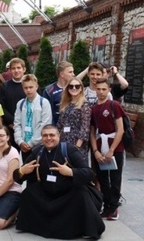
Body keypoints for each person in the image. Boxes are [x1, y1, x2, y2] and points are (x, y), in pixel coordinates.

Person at [14, 124, 105, 239]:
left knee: (82, 194)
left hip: (67, 194)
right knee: (28, 193)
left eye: (52, 135)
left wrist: (71, 172)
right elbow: (17, 178)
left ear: (59, 136)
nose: (48, 138)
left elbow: (89, 173)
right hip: (47, 193)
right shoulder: (37, 151)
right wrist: (22, 170)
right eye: (45, 135)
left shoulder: (69, 150)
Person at [90, 79, 125, 221]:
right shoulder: (93, 108)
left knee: (115, 177)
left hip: (114, 146)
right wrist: (95, 151)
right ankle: (106, 205)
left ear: (109, 90)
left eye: (104, 89)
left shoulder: (113, 105)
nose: (101, 92)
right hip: (100, 146)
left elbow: (120, 129)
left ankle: (114, 206)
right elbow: (92, 132)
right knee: (102, 178)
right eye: (98, 89)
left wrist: (112, 150)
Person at [13, 74, 52, 155]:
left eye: (31, 87)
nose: (28, 90)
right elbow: (17, 124)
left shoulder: (44, 102)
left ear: (36, 87)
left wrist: (31, 143)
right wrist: (20, 141)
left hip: (39, 145)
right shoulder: (20, 104)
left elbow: (45, 124)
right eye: (26, 88)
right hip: (23, 145)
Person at [57, 78, 91, 158]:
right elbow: (59, 124)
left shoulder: (85, 105)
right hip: (64, 141)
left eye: (77, 86)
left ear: (81, 88)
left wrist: (77, 146)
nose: (74, 88)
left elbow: (85, 128)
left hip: (77, 143)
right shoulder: (65, 104)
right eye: (71, 86)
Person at [0, 58, 26, 138]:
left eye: (19, 68)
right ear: (10, 70)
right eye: (13, 68)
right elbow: (1, 107)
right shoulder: (4, 87)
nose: (16, 71)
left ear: (24, 69)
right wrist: (13, 122)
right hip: (10, 127)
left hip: (28, 126)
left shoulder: (30, 86)